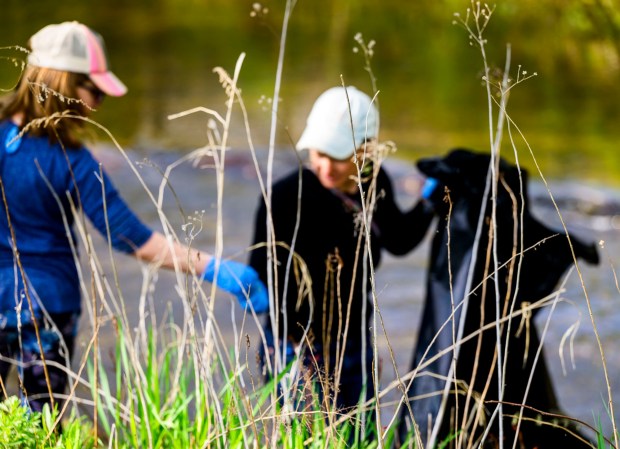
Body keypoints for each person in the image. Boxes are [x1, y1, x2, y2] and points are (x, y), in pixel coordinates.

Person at [0, 21, 268, 415]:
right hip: (47, 310)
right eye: (93, 90)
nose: (98, 104)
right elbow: (130, 237)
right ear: (60, 82)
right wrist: (216, 269)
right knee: (39, 423)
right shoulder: (73, 162)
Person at [249, 86, 435, 421]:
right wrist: (295, 335)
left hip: (352, 341)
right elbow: (260, 273)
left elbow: (399, 240)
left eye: (336, 156)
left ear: (365, 151)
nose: (324, 165)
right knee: (305, 440)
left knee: (357, 435)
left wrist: (431, 199)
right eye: (317, 153)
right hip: (297, 347)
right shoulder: (285, 197)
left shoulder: (374, 184)